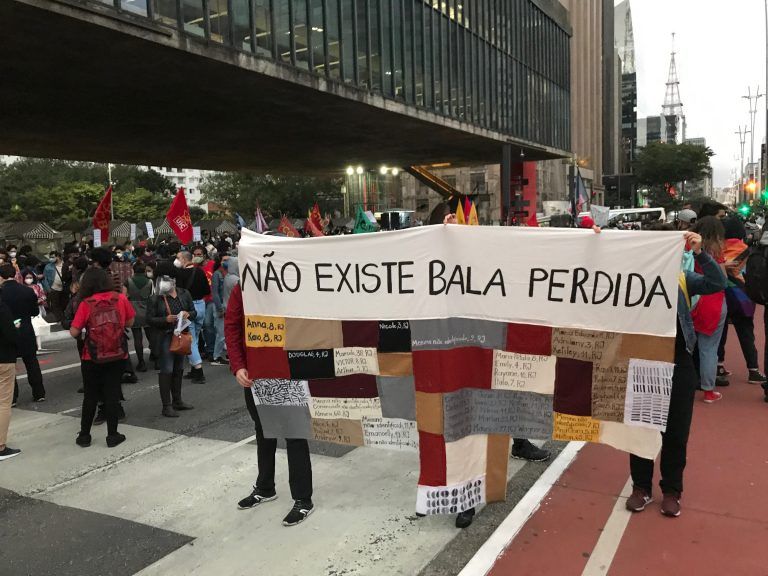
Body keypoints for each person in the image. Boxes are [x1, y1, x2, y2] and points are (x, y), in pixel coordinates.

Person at [626, 226, 726, 518]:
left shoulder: (683, 278)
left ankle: (672, 491)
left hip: (679, 363)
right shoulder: (631, 280)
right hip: (644, 363)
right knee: (642, 429)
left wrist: (700, 251)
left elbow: (717, 282)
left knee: (676, 432)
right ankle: (641, 488)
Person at [225, 282, 315, 526]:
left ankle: (303, 499)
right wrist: (238, 365)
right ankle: (265, 487)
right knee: (264, 431)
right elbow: (232, 325)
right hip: (256, 373)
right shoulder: (243, 288)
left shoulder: (294, 282)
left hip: (290, 369)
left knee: (295, 434)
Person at [69, 267, 134, 448]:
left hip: (92, 356)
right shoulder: (119, 298)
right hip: (117, 354)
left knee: (90, 396)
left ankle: (84, 436)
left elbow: (74, 331)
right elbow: (130, 321)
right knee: (112, 395)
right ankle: (112, 435)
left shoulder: (86, 303)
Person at [716, 216, 766, 386]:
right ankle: (753, 370)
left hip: (722, 296)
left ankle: (719, 367)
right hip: (743, 298)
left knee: (720, 334)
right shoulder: (746, 249)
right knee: (746, 333)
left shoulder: (718, 249)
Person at [147, 265, 196, 417]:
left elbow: (194, 311)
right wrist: (165, 319)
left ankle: (177, 400)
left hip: (181, 334)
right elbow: (149, 319)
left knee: (179, 368)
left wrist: (189, 314)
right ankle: (166, 405)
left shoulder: (184, 293)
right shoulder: (156, 298)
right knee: (167, 369)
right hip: (165, 336)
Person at [691, 217, 728, 404]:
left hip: (691, 297)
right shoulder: (716, 251)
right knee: (709, 347)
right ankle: (708, 390)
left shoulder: (688, 246)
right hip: (713, 301)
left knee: (687, 346)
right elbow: (722, 277)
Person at [1, 264, 45, 405]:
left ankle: (12, 398)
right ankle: (39, 393)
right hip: (26, 330)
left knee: (9, 366)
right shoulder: (27, 291)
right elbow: (34, 312)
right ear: (15, 274)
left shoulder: (2, 293)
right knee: (31, 362)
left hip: (6, 332)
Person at [174, 251, 210, 383]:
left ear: (184, 259)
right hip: (201, 305)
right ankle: (195, 370)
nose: (176, 260)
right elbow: (207, 290)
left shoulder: (180, 274)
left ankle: (199, 370)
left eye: (178, 258)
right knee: (195, 335)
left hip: (187, 309)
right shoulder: (200, 271)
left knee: (191, 340)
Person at [123, 261, 155, 373]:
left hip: (133, 311)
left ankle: (141, 362)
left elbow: (124, 296)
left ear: (133, 270)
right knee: (151, 335)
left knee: (138, 338)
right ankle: (156, 359)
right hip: (147, 310)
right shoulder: (150, 281)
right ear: (144, 271)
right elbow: (152, 296)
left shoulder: (128, 281)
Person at [0, 290, 20, 461]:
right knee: (3, 403)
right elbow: (10, 334)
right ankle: (0, 446)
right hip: (3, 358)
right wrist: (15, 328)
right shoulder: (2, 308)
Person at [191, 245, 216, 362]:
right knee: (198, 327)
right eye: (195, 255)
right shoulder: (193, 267)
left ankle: (211, 350)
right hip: (199, 300)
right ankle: (200, 349)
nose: (197, 257)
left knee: (208, 325)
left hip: (211, 299)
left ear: (204, 255)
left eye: (199, 254)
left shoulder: (212, 265)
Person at [210, 254, 231, 365]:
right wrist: (219, 308)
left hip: (229, 306)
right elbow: (215, 293)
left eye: (228, 259)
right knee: (221, 333)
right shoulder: (217, 275)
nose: (226, 262)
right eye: (224, 260)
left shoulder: (231, 273)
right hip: (220, 307)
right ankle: (216, 356)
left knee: (229, 333)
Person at [43, 251, 70, 321]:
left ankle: (63, 318)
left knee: (63, 304)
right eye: (50, 257)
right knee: (55, 305)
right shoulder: (48, 266)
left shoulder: (65, 265)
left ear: (58, 257)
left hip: (64, 289)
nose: (51, 259)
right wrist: (48, 288)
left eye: (53, 257)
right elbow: (44, 278)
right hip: (53, 289)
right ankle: (58, 319)